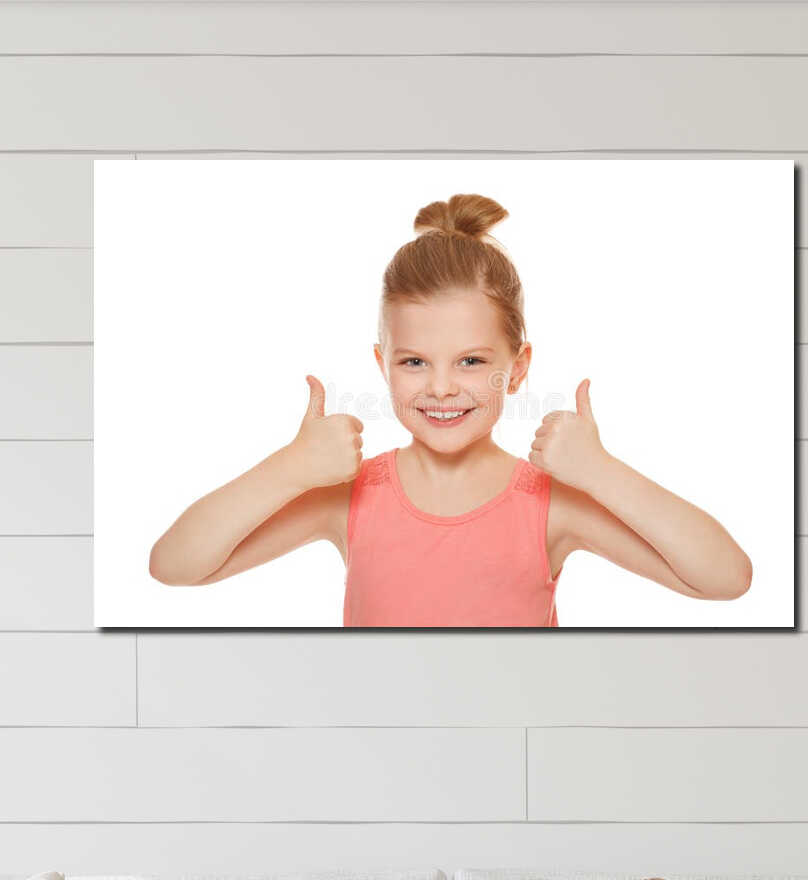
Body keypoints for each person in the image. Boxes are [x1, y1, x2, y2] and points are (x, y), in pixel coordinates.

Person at [147, 193, 752, 626]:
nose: (440, 388)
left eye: (469, 362)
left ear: (517, 368)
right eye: (414, 362)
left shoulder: (551, 504)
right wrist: (289, 467)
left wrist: (602, 472)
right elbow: (174, 566)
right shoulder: (348, 495)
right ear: (383, 364)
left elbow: (726, 579)